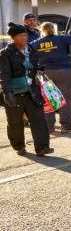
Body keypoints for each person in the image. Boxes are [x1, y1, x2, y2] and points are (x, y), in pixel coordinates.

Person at [0, 22, 53, 156]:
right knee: (15, 123)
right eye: (20, 36)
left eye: (25, 35)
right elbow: (4, 74)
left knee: (38, 120)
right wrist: (7, 93)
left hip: (32, 91)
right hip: (15, 93)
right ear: (13, 38)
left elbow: (39, 65)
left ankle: (42, 147)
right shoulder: (6, 53)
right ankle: (19, 146)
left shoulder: (32, 50)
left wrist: (40, 71)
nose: (24, 38)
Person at [31, 22, 71, 133]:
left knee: (49, 100)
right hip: (63, 72)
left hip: (45, 73)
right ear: (53, 29)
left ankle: (49, 127)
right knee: (65, 100)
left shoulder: (36, 43)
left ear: (42, 31)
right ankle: (66, 126)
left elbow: (26, 49)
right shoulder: (61, 38)